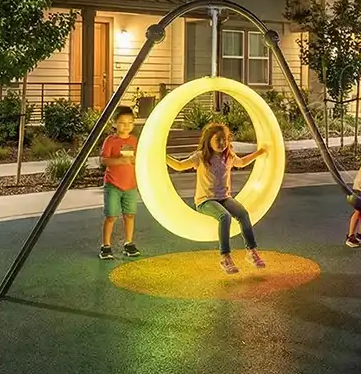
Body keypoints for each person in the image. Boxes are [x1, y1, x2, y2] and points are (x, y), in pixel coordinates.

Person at [165, 122, 267, 274]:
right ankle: (225, 256)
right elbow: (179, 166)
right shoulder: (201, 157)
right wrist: (162, 155)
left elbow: (242, 163)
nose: (222, 143)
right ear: (208, 140)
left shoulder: (229, 156)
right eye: (218, 139)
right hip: (205, 200)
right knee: (224, 216)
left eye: (225, 139)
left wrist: (259, 153)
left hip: (224, 198)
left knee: (243, 214)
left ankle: (251, 252)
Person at [100, 106, 140, 259]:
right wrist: (119, 160)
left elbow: (139, 159)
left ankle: (129, 243)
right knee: (111, 216)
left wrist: (135, 160)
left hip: (131, 185)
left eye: (130, 122)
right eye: (122, 123)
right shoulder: (110, 141)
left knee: (129, 215)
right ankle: (106, 245)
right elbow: (104, 160)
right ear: (114, 123)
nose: (126, 126)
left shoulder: (134, 141)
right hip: (113, 185)